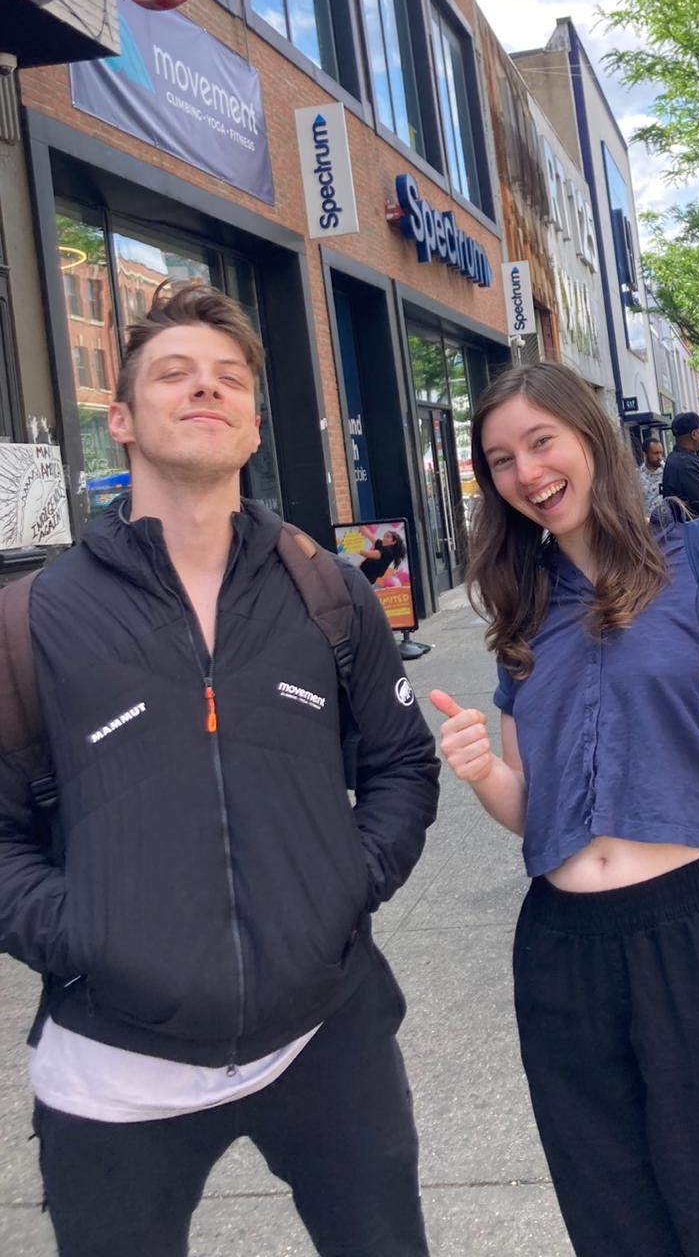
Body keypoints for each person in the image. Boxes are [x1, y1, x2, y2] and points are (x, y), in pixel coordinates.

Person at [2, 281, 440, 1257]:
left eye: (228, 378)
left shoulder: (326, 591)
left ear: (251, 422)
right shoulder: (29, 626)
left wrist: (343, 885)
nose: (206, 390)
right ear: (119, 416)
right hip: (112, 1072)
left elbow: (403, 765)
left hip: (329, 1036)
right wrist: (85, 933)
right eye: (174, 373)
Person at [433, 362, 699, 1257]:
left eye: (542, 441)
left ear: (591, 438)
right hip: (562, 948)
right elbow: (534, 813)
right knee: (614, 1210)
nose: (527, 471)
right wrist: (480, 774)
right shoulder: (524, 602)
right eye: (501, 459)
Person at [639, 435, 665, 514]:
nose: (659, 457)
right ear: (645, 454)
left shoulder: (668, 471)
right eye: (655, 453)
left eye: (661, 453)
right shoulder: (636, 477)